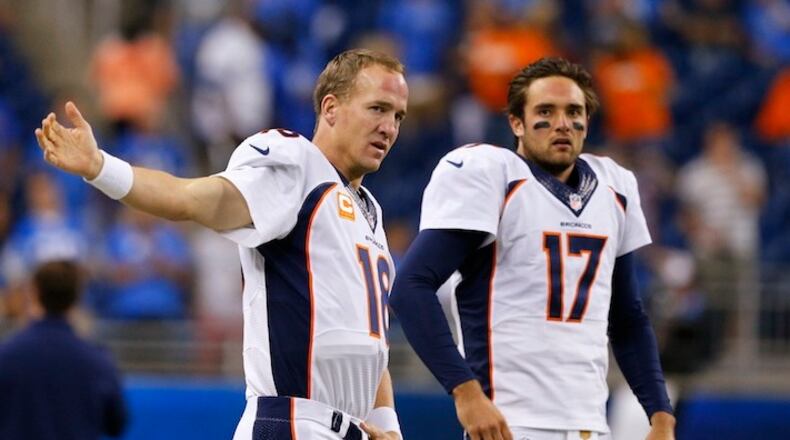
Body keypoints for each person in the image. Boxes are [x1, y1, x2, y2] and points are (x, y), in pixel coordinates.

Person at [35, 48, 408, 440]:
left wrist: (387, 426)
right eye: (378, 109)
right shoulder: (298, 166)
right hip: (295, 422)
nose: (389, 127)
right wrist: (102, 168)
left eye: (398, 115)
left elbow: (372, 339)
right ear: (330, 108)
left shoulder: (370, 212)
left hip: (351, 429)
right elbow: (195, 199)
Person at [390, 57, 675, 440]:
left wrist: (660, 416)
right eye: (545, 111)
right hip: (511, 423)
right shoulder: (493, 174)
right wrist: (466, 392)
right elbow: (411, 286)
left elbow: (626, 316)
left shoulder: (615, 188)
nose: (562, 123)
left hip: (591, 424)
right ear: (516, 123)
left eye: (574, 111)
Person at [0, 260, 127, 440]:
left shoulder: (5, 356)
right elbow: (115, 424)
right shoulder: (98, 361)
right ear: (77, 297)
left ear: (35, 292)